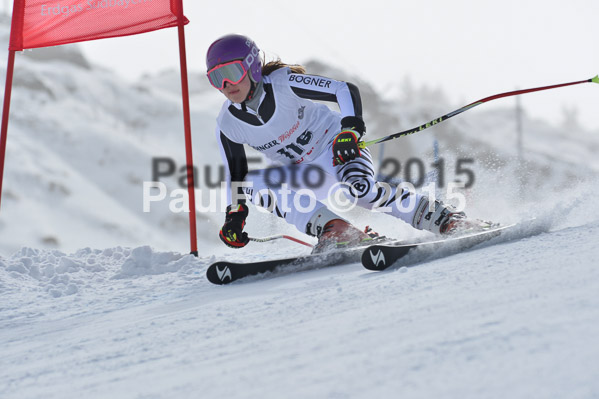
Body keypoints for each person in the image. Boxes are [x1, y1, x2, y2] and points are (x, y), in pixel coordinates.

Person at [206, 34, 472, 252]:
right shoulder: (227, 124)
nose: (226, 84)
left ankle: (444, 218)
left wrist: (350, 130)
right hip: (303, 174)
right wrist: (235, 216)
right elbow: (236, 177)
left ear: (251, 65)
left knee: (362, 192)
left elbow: (343, 90)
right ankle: (336, 230)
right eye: (217, 78)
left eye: (231, 72)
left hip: (336, 149)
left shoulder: (282, 83)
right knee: (251, 183)